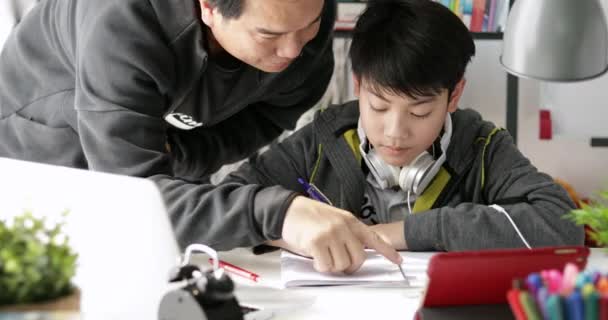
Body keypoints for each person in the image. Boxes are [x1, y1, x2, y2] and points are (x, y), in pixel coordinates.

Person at [0, 0, 397, 260]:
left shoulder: (300, 35)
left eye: (308, 26)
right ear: (209, 6)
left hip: (155, 144)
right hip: (41, 153)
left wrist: (184, 157)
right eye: (269, 35)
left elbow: (264, 118)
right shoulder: (121, 23)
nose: (294, 52)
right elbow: (135, 199)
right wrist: (277, 212)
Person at [223, 0, 584, 273]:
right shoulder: (320, 139)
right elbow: (228, 203)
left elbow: (562, 224)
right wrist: (293, 228)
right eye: (379, 107)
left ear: (454, 95)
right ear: (359, 85)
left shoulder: (482, 146)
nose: (395, 132)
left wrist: (399, 233)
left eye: (420, 112)